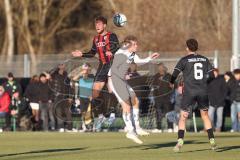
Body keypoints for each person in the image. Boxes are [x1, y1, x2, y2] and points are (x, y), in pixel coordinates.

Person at [108, 35, 159, 144]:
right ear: (128, 45)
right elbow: (113, 70)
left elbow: (139, 62)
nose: (137, 46)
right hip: (115, 81)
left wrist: (150, 58)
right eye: (134, 44)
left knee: (135, 101)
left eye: (137, 43)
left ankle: (137, 127)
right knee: (126, 104)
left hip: (122, 81)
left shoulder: (132, 54)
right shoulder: (120, 53)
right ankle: (130, 131)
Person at [170, 38, 217, 152]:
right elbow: (212, 76)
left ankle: (180, 142)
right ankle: (212, 141)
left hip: (189, 92)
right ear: (197, 47)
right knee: (205, 116)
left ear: (187, 48)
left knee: (183, 117)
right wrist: (204, 84)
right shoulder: (204, 59)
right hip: (202, 91)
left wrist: (171, 82)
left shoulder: (184, 60)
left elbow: (174, 74)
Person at [72, 16, 119, 120]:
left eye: (99, 24)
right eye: (96, 24)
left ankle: (112, 113)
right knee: (94, 93)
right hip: (102, 66)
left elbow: (117, 46)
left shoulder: (111, 35)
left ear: (105, 25)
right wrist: (82, 54)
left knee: (112, 90)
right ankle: (102, 114)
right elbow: (92, 53)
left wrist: (111, 51)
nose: (97, 26)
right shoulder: (96, 39)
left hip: (113, 64)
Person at [50, 64, 75, 132]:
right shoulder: (54, 76)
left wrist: (70, 97)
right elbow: (49, 74)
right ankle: (60, 127)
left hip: (65, 97)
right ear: (58, 67)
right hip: (57, 98)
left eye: (63, 66)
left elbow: (71, 88)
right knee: (59, 112)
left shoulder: (67, 77)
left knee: (68, 112)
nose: (62, 67)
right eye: (61, 65)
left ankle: (70, 128)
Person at [152, 63, 174, 133]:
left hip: (167, 98)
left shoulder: (169, 76)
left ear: (164, 68)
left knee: (169, 113)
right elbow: (153, 88)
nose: (160, 69)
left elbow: (174, 86)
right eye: (159, 67)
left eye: (161, 67)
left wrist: (172, 87)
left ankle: (170, 128)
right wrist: (154, 97)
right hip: (158, 98)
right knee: (158, 113)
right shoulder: (155, 76)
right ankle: (158, 128)